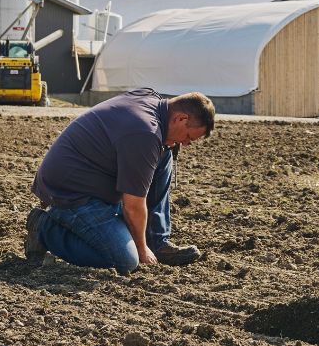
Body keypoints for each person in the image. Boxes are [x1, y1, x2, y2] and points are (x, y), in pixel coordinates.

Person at [24, 88, 215, 271]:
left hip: (91, 177)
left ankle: (157, 242)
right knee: (125, 260)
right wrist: (141, 249)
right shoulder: (145, 133)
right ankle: (44, 228)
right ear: (181, 118)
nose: (186, 144)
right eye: (188, 137)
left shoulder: (151, 100)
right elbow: (133, 206)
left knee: (165, 152)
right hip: (69, 193)